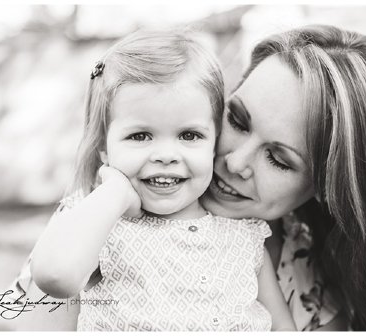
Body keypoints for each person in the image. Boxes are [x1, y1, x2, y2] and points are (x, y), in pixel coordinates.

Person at [9, 24, 366, 331]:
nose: (235, 161)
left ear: (330, 189)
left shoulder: (309, 265)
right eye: (236, 120)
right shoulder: (93, 225)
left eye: (279, 159)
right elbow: (51, 285)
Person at [26, 29, 291, 331]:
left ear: (214, 140)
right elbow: (54, 276)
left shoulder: (245, 237)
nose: (166, 155)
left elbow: (283, 328)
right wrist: (115, 193)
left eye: (189, 135)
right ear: (104, 146)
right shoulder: (100, 223)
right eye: (140, 136)